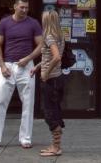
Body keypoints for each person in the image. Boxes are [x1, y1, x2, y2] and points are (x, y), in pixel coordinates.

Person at [0, 0, 43, 150]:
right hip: (8, 66)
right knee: (0, 102)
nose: (25, 10)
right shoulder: (4, 22)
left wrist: (28, 58)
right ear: (14, 6)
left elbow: (41, 44)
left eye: (26, 7)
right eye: (22, 7)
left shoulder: (33, 23)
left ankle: (25, 138)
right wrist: (2, 65)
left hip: (26, 66)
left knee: (28, 103)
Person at [33, 9, 66, 157]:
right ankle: (55, 144)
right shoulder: (60, 36)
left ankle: (56, 147)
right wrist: (38, 67)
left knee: (50, 113)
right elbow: (48, 57)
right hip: (57, 79)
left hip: (51, 80)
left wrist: (45, 73)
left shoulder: (49, 36)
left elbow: (57, 57)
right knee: (55, 111)